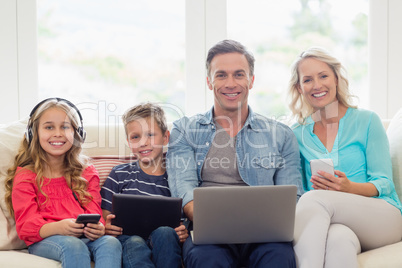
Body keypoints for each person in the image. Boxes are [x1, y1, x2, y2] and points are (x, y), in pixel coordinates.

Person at [166, 39, 303, 268]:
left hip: (265, 236)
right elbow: (184, 192)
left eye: (239, 74)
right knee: (207, 260)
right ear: (209, 82)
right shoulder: (184, 131)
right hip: (209, 235)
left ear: (251, 80)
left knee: (280, 258)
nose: (231, 83)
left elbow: (293, 198)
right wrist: (216, 223)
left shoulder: (281, 135)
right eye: (221, 75)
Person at [288, 47, 402, 268]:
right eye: (308, 80)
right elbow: (300, 193)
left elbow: (384, 183)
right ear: (299, 88)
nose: (317, 85)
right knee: (339, 240)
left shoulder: (367, 120)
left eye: (323, 76)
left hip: (382, 215)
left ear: (337, 79)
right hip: (334, 221)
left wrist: (349, 188)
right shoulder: (296, 134)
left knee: (314, 200)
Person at [4, 98, 122, 268]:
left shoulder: (86, 172)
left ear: (77, 134)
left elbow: (93, 211)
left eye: (65, 127)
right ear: (34, 133)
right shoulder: (27, 176)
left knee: (110, 243)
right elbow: (27, 227)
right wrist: (58, 227)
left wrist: (99, 228)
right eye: (49, 127)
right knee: (74, 245)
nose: (58, 133)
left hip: (84, 236)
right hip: (46, 239)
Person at [100, 103, 188, 268]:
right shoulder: (119, 174)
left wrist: (183, 230)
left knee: (166, 232)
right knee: (134, 241)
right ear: (128, 141)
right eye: (135, 137)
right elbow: (105, 216)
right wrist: (107, 227)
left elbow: (185, 217)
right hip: (129, 239)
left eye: (150, 135)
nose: (143, 143)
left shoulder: (178, 176)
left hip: (165, 240)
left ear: (165, 137)